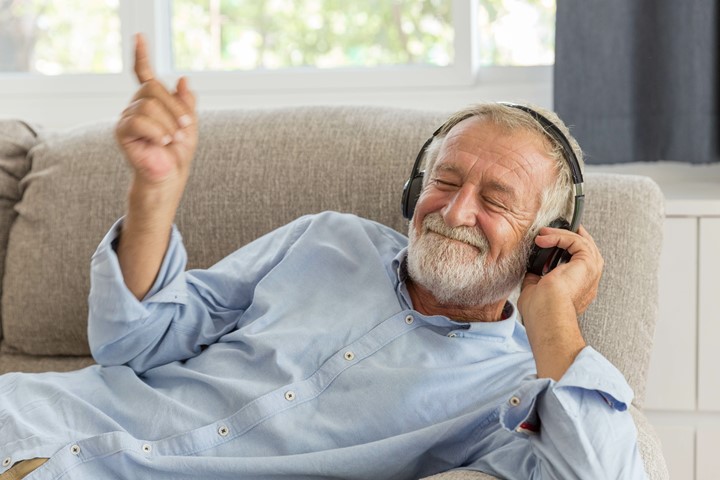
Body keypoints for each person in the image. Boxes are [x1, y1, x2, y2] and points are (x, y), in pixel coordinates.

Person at [0, 35, 646, 480]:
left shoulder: (515, 389)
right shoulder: (326, 238)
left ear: (547, 237)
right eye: (445, 181)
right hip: (26, 419)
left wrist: (552, 313)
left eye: (496, 199)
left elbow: (596, 472)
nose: (453, 212)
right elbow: (133, 340)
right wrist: (155, 191)